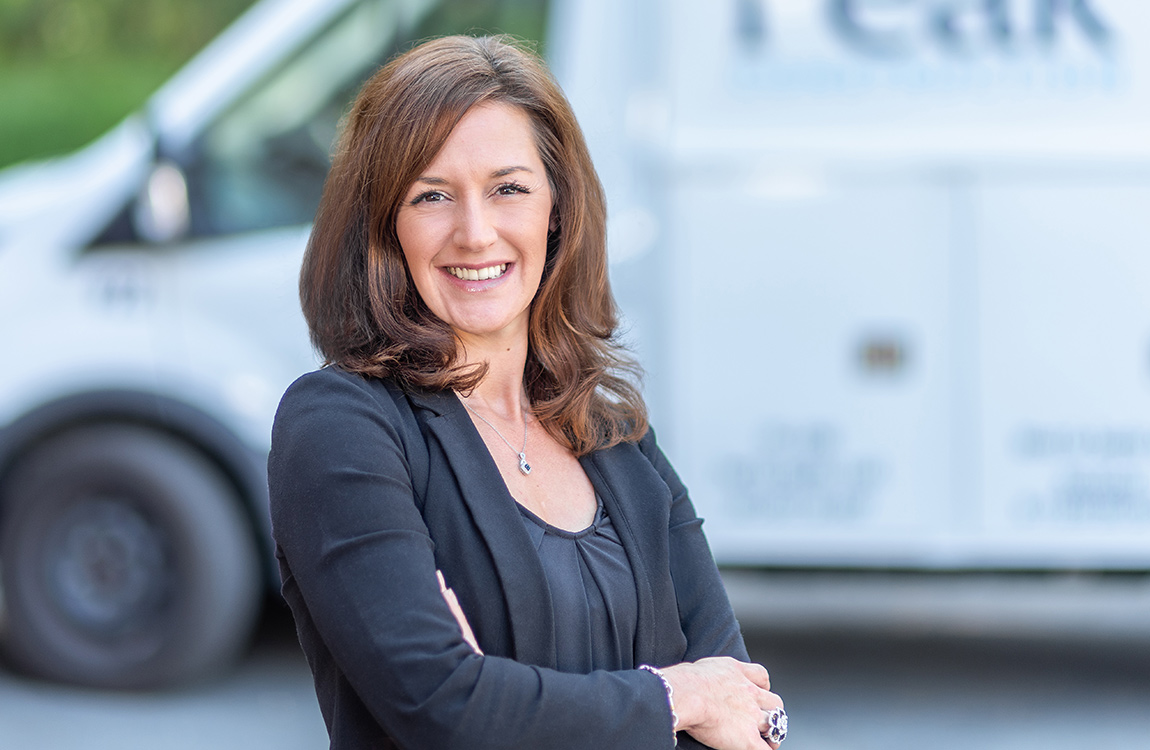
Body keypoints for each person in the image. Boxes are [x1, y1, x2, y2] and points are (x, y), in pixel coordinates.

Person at [268, 34, 787, 750]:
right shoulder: (342, 426)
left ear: (556, 210)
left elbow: (748, 711)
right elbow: (444, 709)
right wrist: (677, 695)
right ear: (384, 223)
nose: (475, 233)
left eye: (508, 188)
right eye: (431, 195)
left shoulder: (616, 435)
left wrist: (510, 698)